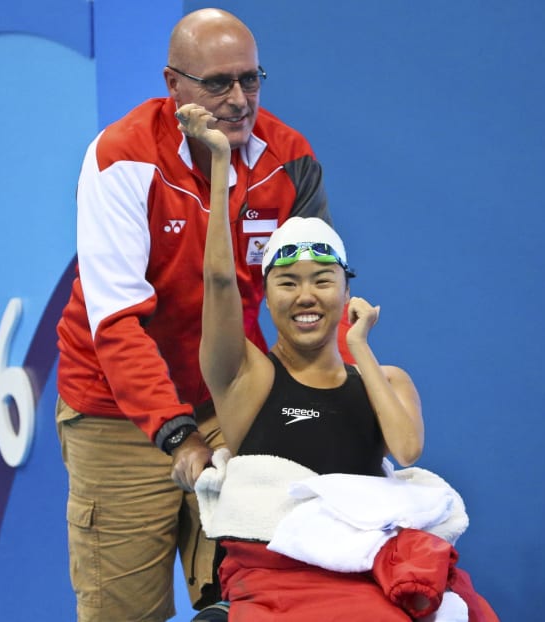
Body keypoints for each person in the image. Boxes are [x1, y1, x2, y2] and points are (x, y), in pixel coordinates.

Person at [55, 8, 335, 621]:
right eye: (216, 84)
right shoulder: (121, 159)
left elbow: (311, 299)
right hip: (116, 415)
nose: (238, 99)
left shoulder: (289, 158)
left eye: (250, 79)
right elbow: (116, 324)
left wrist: (324, 405)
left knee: (258, 599)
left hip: (225, 396)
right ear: (172, 84)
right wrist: (177, 435)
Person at [176, 103, 498, 621]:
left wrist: (361, 348)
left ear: (346, 291)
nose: (306, 296)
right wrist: (219, 163)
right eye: (288, 282)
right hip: (277, 577)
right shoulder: (247, 377)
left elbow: (407, 450)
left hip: (368, 573)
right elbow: (216, 281)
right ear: (265, 296)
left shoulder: (386, 379)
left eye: (323, 281)